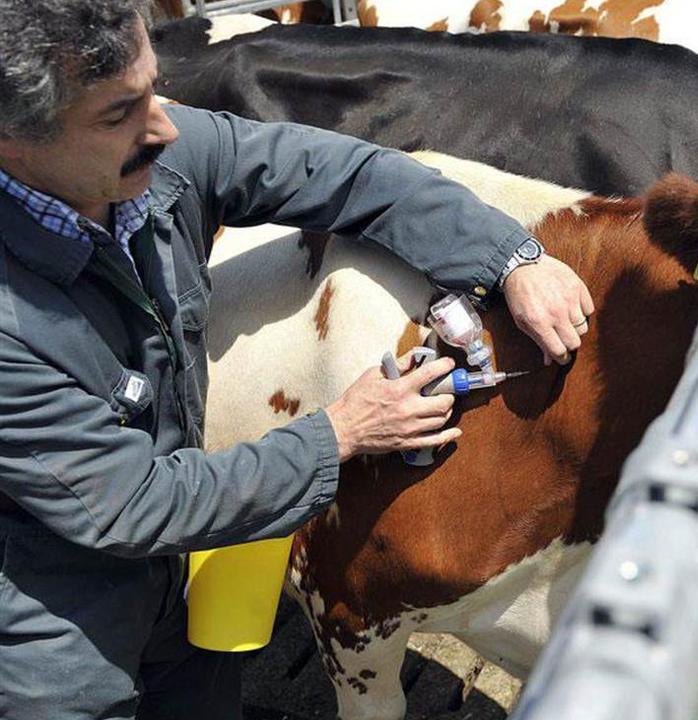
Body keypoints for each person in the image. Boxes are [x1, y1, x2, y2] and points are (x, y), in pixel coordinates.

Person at [0, 2, 594, 718]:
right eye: (118, 113)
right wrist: (342, 433)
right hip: (55, 629)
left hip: (178, 591)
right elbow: (133, 503)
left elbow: (347, 173)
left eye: (154, 87)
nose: (162, 124)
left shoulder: (161, 162)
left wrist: (508, 257)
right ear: (13, 138)